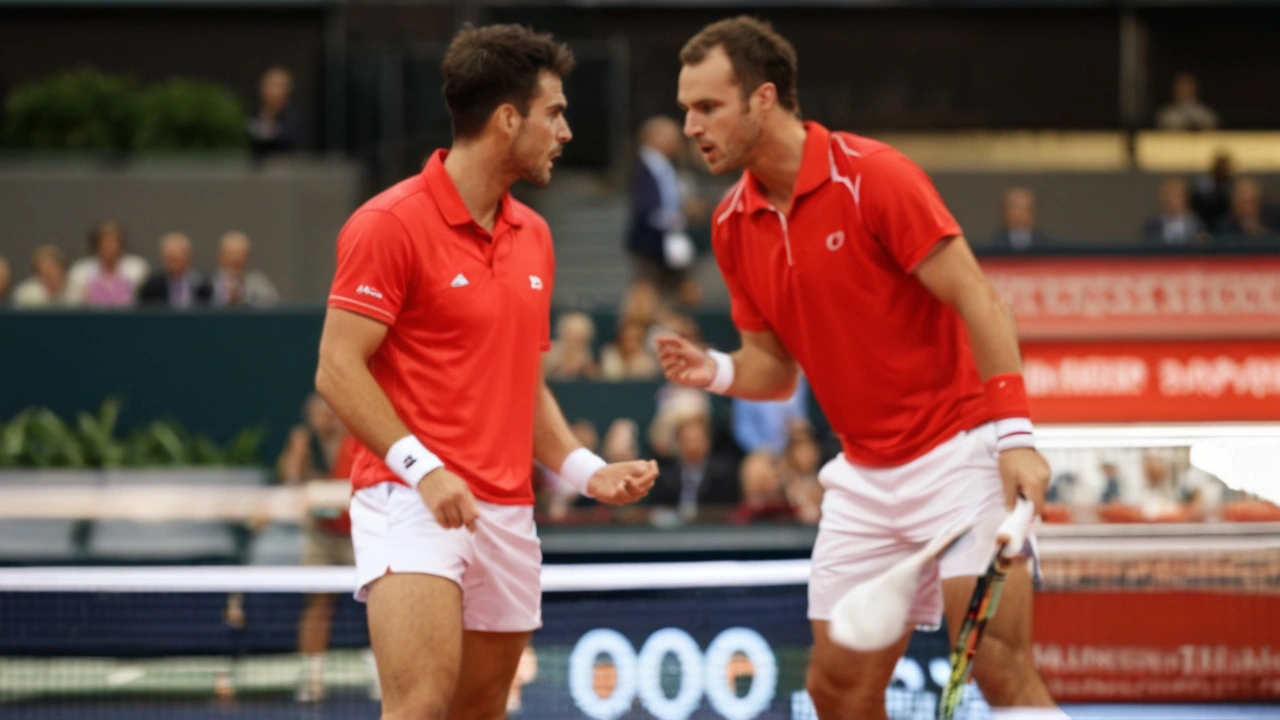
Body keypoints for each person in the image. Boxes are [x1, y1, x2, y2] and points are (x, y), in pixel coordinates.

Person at [661, 17, 1061, 720]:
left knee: (999, 667)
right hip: (864, 481)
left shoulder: (873, 175)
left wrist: (1016, 435)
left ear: (763, 99)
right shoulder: (730, 224)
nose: (690, 126)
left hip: (961, 453)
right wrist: (717, 370)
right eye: (686, 108)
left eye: (707, 107)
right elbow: (773, 372)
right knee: (836, 691)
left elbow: (980, 299)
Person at [314, 24, 658, 720]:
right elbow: (336, 369)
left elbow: (523, 385)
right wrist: (424, 468)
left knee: (481, 712)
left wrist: (588, 471)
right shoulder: (388, 224)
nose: (565, 132)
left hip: (505, 513)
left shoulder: (536, 235)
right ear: (508, 119)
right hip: (408, 498)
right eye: (554, 113)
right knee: (420, 707)